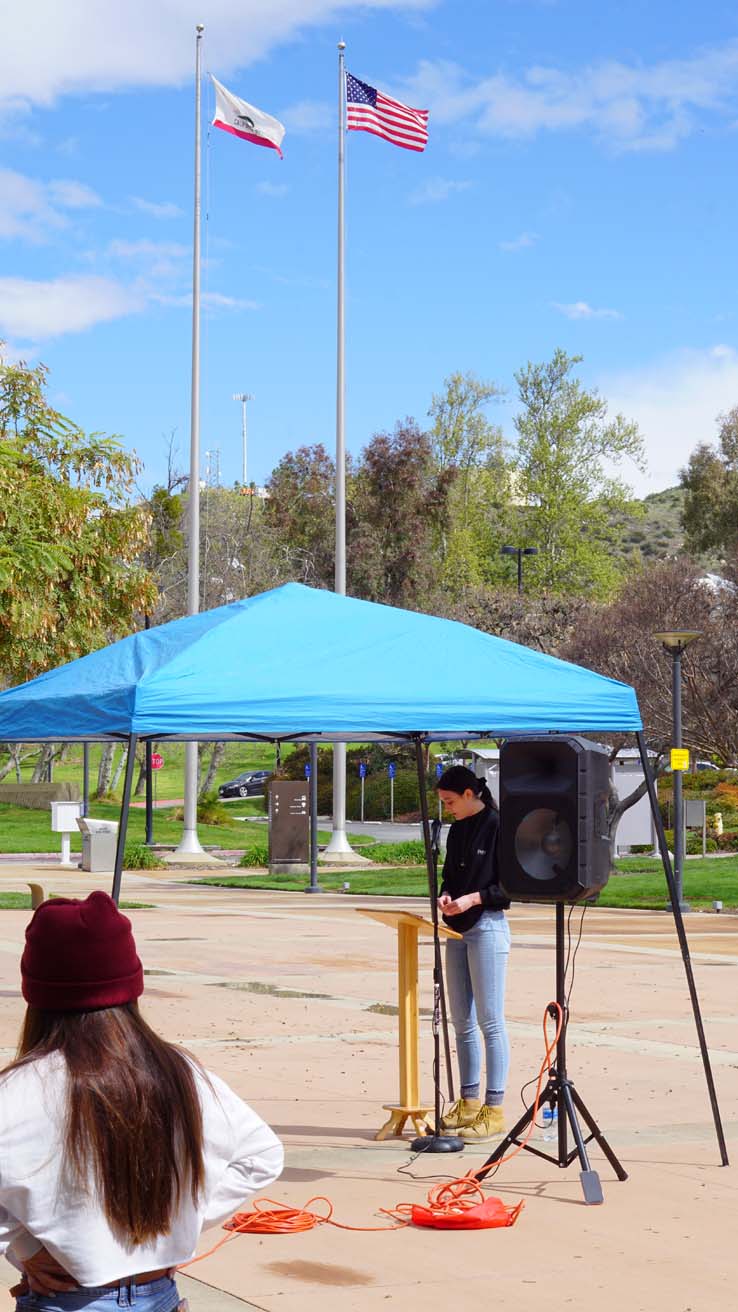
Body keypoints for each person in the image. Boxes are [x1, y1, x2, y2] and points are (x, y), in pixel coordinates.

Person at [0, 891, 283, 1312]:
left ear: (37, 994)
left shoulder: (19, 1089)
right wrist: (178, 1227)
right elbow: (262, 1156)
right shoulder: (180, 1072)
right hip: (159, 1293)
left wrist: (25, 1246)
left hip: (68, 1297)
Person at [436, 765, 511, 1142]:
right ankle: (468, 1101)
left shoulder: (498, 825)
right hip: (457, 929)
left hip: (487, 927)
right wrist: (447, 895)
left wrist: (474, 899)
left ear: (469, 794)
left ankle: (494, 1109)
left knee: (489, 1021)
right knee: (461, 1021)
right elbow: (450, 875)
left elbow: (508, 887)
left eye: (450, 801)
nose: (447, 808)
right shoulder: (457, 830)